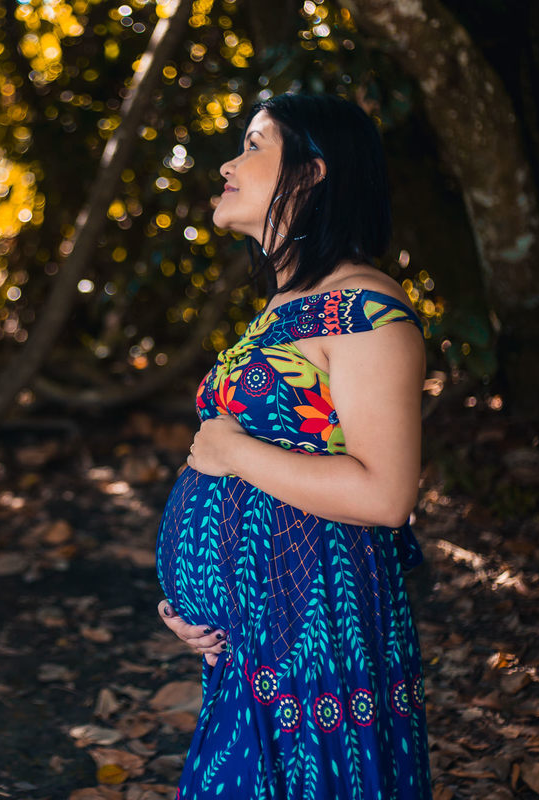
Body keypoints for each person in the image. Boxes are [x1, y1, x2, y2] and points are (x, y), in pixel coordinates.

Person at [153, 93, 433, 799]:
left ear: (311, 175)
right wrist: (206, 607)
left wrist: (229, 452)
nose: (228, 162)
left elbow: (386, 494)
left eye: (253, 144)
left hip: (319, 644)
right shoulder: (282, 310)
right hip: (256, 646)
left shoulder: (364, 311)